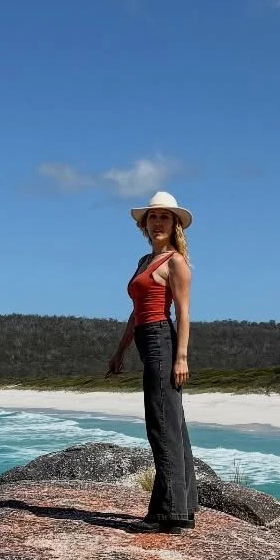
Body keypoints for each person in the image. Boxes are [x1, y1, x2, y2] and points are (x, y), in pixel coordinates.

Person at [107, 190, 199, 532]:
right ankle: (185, 508)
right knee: (173, 424)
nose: (157, 222)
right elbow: (135, 314)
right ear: (145, 225)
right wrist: (120, 352)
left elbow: (184, 313)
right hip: (148, 341)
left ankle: (171, 514)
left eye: (164, 217)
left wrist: (181, 358)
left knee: (161, 426)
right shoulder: (144, 262)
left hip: (163, 340)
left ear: (174, 224)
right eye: (152, 217)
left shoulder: (175, 262)